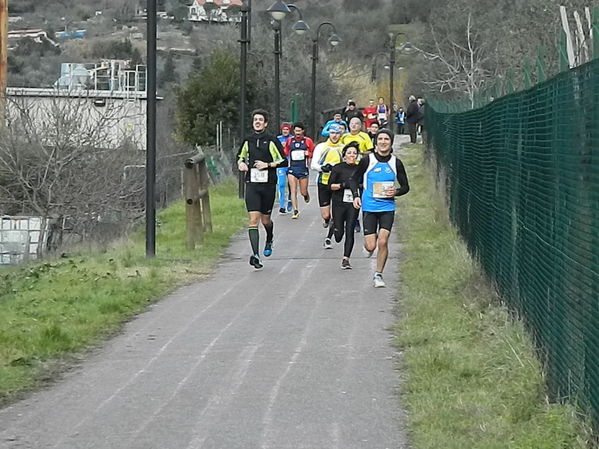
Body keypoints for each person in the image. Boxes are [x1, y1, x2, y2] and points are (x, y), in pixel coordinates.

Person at [350, 128, 410, 287]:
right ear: (376, 142)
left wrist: (395, 192)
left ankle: (378, 275)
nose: (383, 142)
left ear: (391, 143)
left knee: (383, 242)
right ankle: (368, 247)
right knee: (371, 245)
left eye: (386, 139)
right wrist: (356, 195)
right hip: (369, 207)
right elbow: (354, 179)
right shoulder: (367, 161)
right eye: (380, 139)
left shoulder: (396, 162)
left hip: (387, 207)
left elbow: (405, 187)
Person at [237, 109, 288, 269]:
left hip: (267, 186)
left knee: (265, 220)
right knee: (253, 220)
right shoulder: (248, 140)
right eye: (255, 120)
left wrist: (267, 165)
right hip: (252, 185)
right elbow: (240, 157)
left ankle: (269, 238)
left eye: (260, 120)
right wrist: (241, 164)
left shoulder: (272, 140)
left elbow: (283, 161)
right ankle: (255, 255)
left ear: (265, 123)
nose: (257, 122)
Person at [311, 123, 344, 249]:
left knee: (336, 213)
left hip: (338, 185)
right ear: (328, 134)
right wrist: (322, 168)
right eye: (332, 133)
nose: (335, 136)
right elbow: (313, 164)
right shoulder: (321, 147)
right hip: (323, 182)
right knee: (326, 215)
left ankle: (328, 238)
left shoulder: (344, 147)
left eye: (337, 133)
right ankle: (326, 220)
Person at [329, 142, 360, 269]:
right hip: (338, 203)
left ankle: (346, 259)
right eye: (349, 153)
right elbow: (330, 186)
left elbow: (364, 184)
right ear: (344, 155)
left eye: (354, 153)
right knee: (339, 235)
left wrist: (357, 188)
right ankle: (335, 228)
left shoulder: (359, 169)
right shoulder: (338, 168)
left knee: (350, 229)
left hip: (353, 203)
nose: (352, 155)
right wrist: (343, 185)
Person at [284, 122, 315, 219]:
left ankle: (306, 195)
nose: (297, 133)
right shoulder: (290, 141)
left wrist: (308, 153)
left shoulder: (307, 141)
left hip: (303, 169)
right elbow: (285, 152)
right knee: (293, 190)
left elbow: (313, 153)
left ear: (302, 131)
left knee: (303, 191)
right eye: (296, 131)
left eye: (299, 131)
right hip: (292, 168)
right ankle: (295, 210)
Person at [276, 123, 292, 213]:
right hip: (281, 164)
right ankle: (282, 205)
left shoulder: (292, 139)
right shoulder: (277, 139)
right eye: (283, 129)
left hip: (291, 164)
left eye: (287, 129)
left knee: (291, 184)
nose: (285, 131)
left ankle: (290, 200)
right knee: (281, 184)